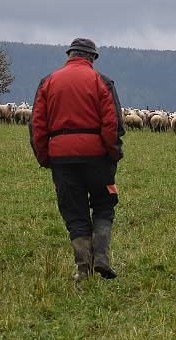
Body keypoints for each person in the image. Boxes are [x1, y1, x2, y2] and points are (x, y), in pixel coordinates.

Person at [29, 38, 125, 282]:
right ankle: (101, 256)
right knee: (104, 203)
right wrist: (113, 152)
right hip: (97, 156)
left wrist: (45, 156)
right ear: (92, 57)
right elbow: (113, 122)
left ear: (70, 55)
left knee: (74, 211)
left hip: (62, 157)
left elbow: (37, 125)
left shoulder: (48, 82)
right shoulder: (101, 81)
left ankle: (83, 268)